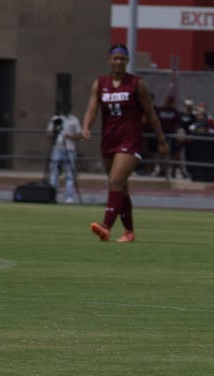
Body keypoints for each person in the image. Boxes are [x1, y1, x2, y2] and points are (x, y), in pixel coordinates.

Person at [81, 44, 168, 242]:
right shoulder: (100, 83)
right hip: (108, 141)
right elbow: (92, 109)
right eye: (115, 58)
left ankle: (106, 227)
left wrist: (161, 139)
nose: (118, 62)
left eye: (122, 58)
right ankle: (129, 232)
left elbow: (150, 113)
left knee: (115, 182)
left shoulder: (137, 84)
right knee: (121, 188)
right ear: (109, 60)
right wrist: (86, 127)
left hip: (130, 141)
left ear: (127, 61)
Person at [46, 106, 82, 203]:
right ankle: (52, 195)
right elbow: (49, 134)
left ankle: (69, 197)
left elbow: (79, 134)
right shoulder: (55, 119)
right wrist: (55, 132)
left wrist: (70, 136)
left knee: (69, 173)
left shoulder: (74, 120)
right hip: (57, 148)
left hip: (70, 148)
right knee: (54, 172)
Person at [156, 95, 181, 177]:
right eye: (168, 101)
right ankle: (162, 170)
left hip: (171, 135)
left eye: (171, 101)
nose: (169, 103)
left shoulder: (174, 111)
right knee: (162, 153)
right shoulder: (160, 109)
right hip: (162, 135)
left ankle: (173, 172)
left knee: (174, 154)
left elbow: (177, 123)